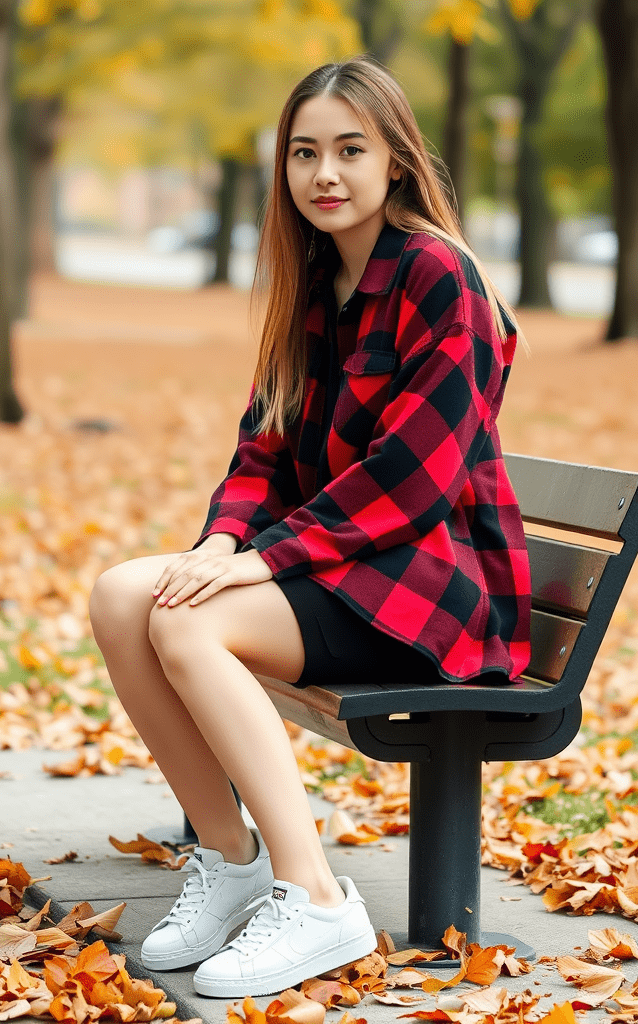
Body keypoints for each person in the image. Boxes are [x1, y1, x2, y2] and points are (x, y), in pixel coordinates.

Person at [88, 55, 532, 1000]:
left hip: (431, 589)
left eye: (349, 150)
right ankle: (232, 862)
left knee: (187, 624)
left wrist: (262, 562)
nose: (324, 174)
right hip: (349, 569)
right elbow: (262, 450)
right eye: (304, 153)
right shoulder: (315, 282)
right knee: (124, 595)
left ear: (396, 161)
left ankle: (317, 897)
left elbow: (412, 481)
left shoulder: (439, 277)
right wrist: (221, 543)